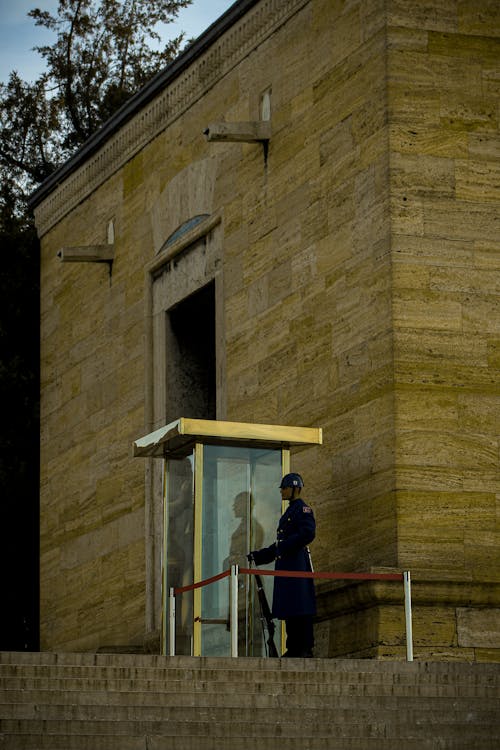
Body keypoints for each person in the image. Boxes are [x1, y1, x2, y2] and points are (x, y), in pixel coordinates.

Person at [248, 472, 316, 657]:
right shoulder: (290, 511)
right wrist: (259, 556)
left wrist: (284, 546)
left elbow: (308, 533)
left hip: (297, 568)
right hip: (288, 569)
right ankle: (294, 647)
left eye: (284, 488)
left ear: (295, 488)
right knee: (292, 610)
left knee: (300, 610)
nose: (281, 491)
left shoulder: (302, 510)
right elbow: (280, 545)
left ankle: (302, 648)